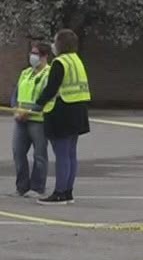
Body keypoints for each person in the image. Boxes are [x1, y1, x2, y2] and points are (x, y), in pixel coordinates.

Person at [32, 28, 91, 204]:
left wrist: (39, 104)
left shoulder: (60, 62)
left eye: (55, 41)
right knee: (71, 154)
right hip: (78, 111)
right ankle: (67, 192)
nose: (52, 45)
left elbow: (51, 88)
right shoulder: (76, 60)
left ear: (60, 44)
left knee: (62, 154)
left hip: (62, 111)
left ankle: (59, 192)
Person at [10, 39, 51, 198]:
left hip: (38, 120)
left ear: (44, 56)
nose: (32, 57)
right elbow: (15, 94)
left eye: (36, 54)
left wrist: (29, 111)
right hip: (20, 119)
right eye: (31, 53)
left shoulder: (48, 74)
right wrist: (16, 109)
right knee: (18, 152)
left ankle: (37, 187)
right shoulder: (25, 73)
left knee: (39, 155)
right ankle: (21, 187)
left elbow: (45, 97)